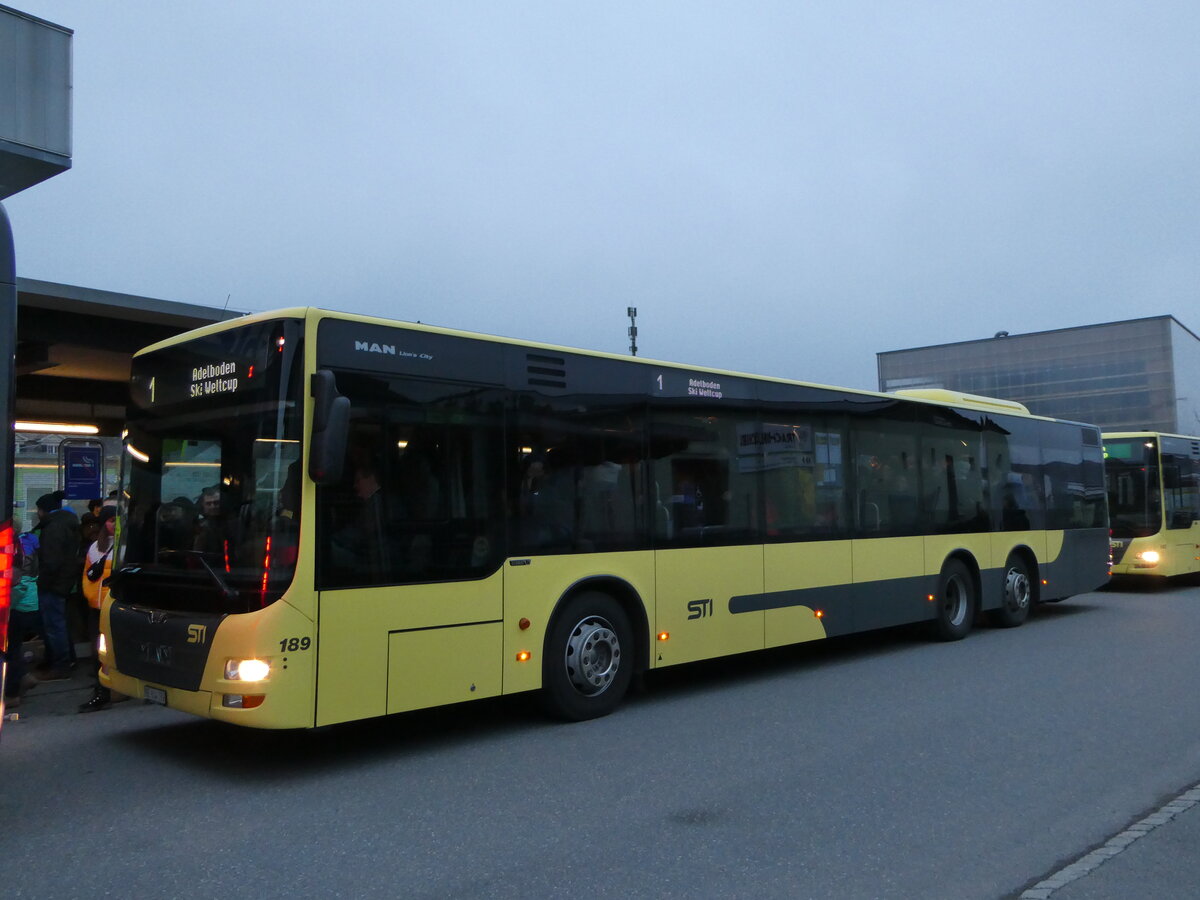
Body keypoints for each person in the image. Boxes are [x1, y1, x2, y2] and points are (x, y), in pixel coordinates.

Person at [34, 491, 80, 681]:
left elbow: (51, 561)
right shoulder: (66, 523)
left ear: (43, 510)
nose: (37, 513)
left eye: (38, 509)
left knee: (54, 626)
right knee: (59, 624)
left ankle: (60, 665)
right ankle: (65, 660)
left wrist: (43, 583)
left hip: (53, 585)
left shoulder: (53, 528)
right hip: (64, 582)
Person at [79, 506, 117, 712]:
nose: (115, 524)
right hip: (98, 608)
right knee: (98, 652)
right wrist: (92, 597)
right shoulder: (95, 547)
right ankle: (102, 691)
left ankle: (111, 691)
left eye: (117, 519)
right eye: (111, 520)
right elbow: (87, 576)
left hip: (115, 607)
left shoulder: (125, 545)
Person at [3, 531, 42, 709]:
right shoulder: (22, 546)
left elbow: (15, 581)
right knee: (13, 648)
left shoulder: (10, 549)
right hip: (24, 603)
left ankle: (12, 693)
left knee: (9, 650)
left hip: (15, 604)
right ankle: (24, 677)